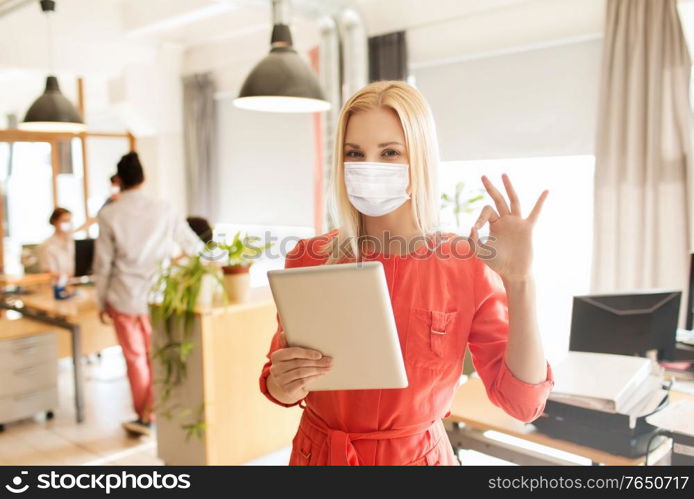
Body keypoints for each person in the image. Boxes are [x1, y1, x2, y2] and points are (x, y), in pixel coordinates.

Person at [259, 81, 555, 466]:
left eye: (390, 153)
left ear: (419, 161)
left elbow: (523, 403)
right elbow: (276, 380)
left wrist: (521, 280)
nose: (369, 167)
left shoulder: (465, 265)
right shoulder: (308, 257)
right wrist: (280, 383)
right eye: (355, 153)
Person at [93, 152, 201, 437]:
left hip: (123, 298)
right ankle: (154, 412)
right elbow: (192, 245)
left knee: (134, 358)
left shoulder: (109, 214)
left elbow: (103, 264)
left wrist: (100, 299)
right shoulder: (163, 208)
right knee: (158, 356)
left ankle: (145, 417)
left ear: (119, 181)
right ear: (144, 178)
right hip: (159, 297)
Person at [38, 207, 76, 280]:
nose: (68, 224)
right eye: (65, 221)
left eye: (69, 221)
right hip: (57, 286)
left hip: (73, 283)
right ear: (55, 222)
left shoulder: (71, 242)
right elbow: (48, 272)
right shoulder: (46, 245)